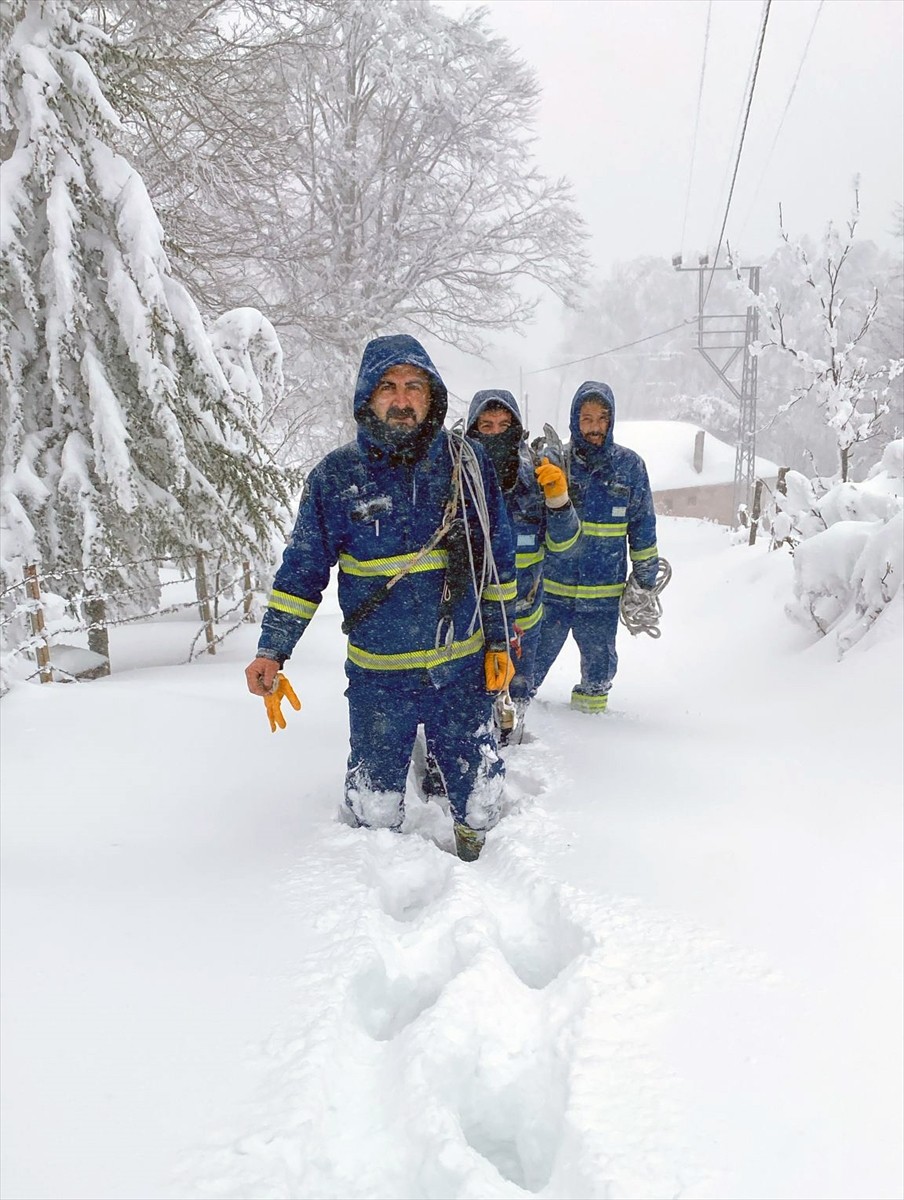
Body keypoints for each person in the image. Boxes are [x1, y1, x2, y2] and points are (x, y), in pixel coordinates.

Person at [244, 335, 517, 862]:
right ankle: (384, 894)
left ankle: (480, 861)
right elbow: (303, 570)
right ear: (367, 395)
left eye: (414, 386)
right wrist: (272, 648)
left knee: (480, 797)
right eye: (388, 386)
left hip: (461, 667)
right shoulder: (335, 478)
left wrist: (501, 642)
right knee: (373, 809)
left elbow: (496, 559)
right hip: (378, 679)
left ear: (431, 395)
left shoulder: (467, 464)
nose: (402, 398)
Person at [532, 381, 659, 713]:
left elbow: (643, 527)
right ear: (575, 420)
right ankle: (515, 718)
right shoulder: (555, 462)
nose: (594, 427)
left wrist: (645, 579)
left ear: (611, 420)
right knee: (529, 666)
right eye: (586, 419)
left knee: (598, 672)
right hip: (553, 593)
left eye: (601, 418)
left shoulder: (630, 468)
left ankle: (591, 727)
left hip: (602, 596)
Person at [465, 389, 580, 738]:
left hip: (522, 623)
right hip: (470, 625)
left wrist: (559, 502)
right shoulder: (458, 479)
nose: (496, 433)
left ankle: (511, 744)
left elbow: (566, 546)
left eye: (504, 425)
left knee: (516, 698)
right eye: (486, 425)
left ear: (517, 430)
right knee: (469, 706)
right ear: (472, 431)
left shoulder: (536, 477)